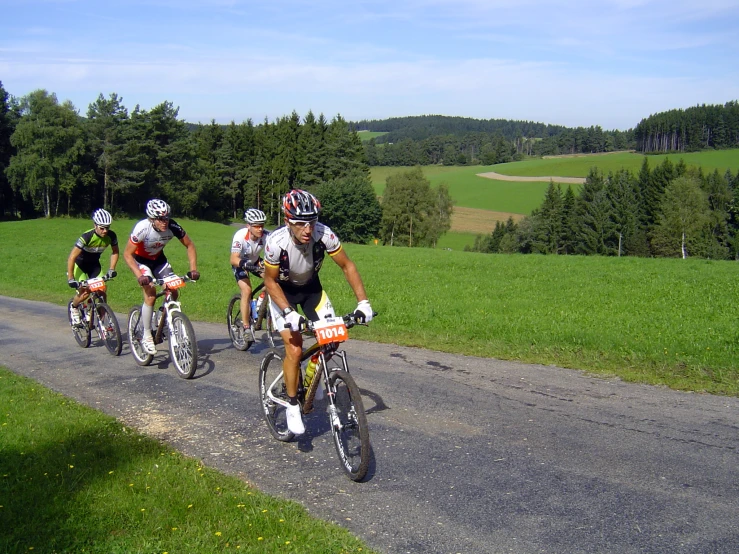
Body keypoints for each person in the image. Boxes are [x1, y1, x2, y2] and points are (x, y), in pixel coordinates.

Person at [263, 189, 373, 435]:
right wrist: (288, 312)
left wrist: (363, 302)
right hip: (283, 294)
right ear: (287, 221)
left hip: (312, 290)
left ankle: (313, 379)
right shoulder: (275, 243)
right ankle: (292, 404)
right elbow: (269, 282)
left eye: (311, 221)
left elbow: (347, 265)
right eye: (300, 223)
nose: (307, 229)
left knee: (332, 338)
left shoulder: (325, 234)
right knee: (295, 348)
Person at [123, 199, 200, 355]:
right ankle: (146, 335)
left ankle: (161, 316)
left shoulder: (172, 226)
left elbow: (190, 245)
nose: (165, 222)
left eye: (166, 218)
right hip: (141, 262)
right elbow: (127, 254)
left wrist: (193, 269)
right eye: (160, 219)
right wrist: (140, 276)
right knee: (150, 294)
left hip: (159, 260)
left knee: (174, 289)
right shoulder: (142, 228)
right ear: (152, 219)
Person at [67, 208, 119, 325]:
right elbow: (72, 257)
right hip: (80, 266)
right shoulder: (86, 237)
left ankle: (101, 320)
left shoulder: (111, 236)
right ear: (95, 225)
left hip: (94, 265)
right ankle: (74, 307)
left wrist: (112, 269)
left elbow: (115, 251)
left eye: (107, 227)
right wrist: (70, 278)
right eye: (102, 228)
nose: (105, 231)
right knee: (85, 292)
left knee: (102, 290)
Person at [230, 208, 269, 340]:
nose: (260, 229)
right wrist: (244, 264)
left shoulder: (266, 236)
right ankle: (246, 326)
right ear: (248, 226)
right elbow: (233, 259)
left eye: (262, 225)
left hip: (255, 261)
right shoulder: (240, 236)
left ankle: (259, 304)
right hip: (240, 263)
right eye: (257, 226)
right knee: (246, 290)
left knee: (273, 281)